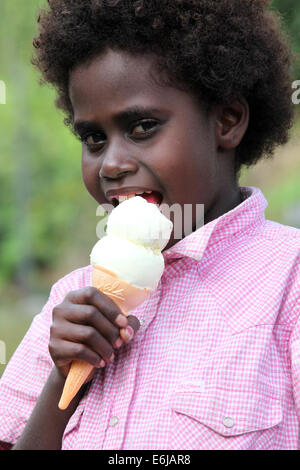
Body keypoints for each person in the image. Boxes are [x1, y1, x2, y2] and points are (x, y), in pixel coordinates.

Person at [0, 0, 299, 450]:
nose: (112, 164)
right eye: (93, 138)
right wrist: (65, 376)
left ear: (228, 121)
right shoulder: (71, 301)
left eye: (142, 126)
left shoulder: (289, 283)